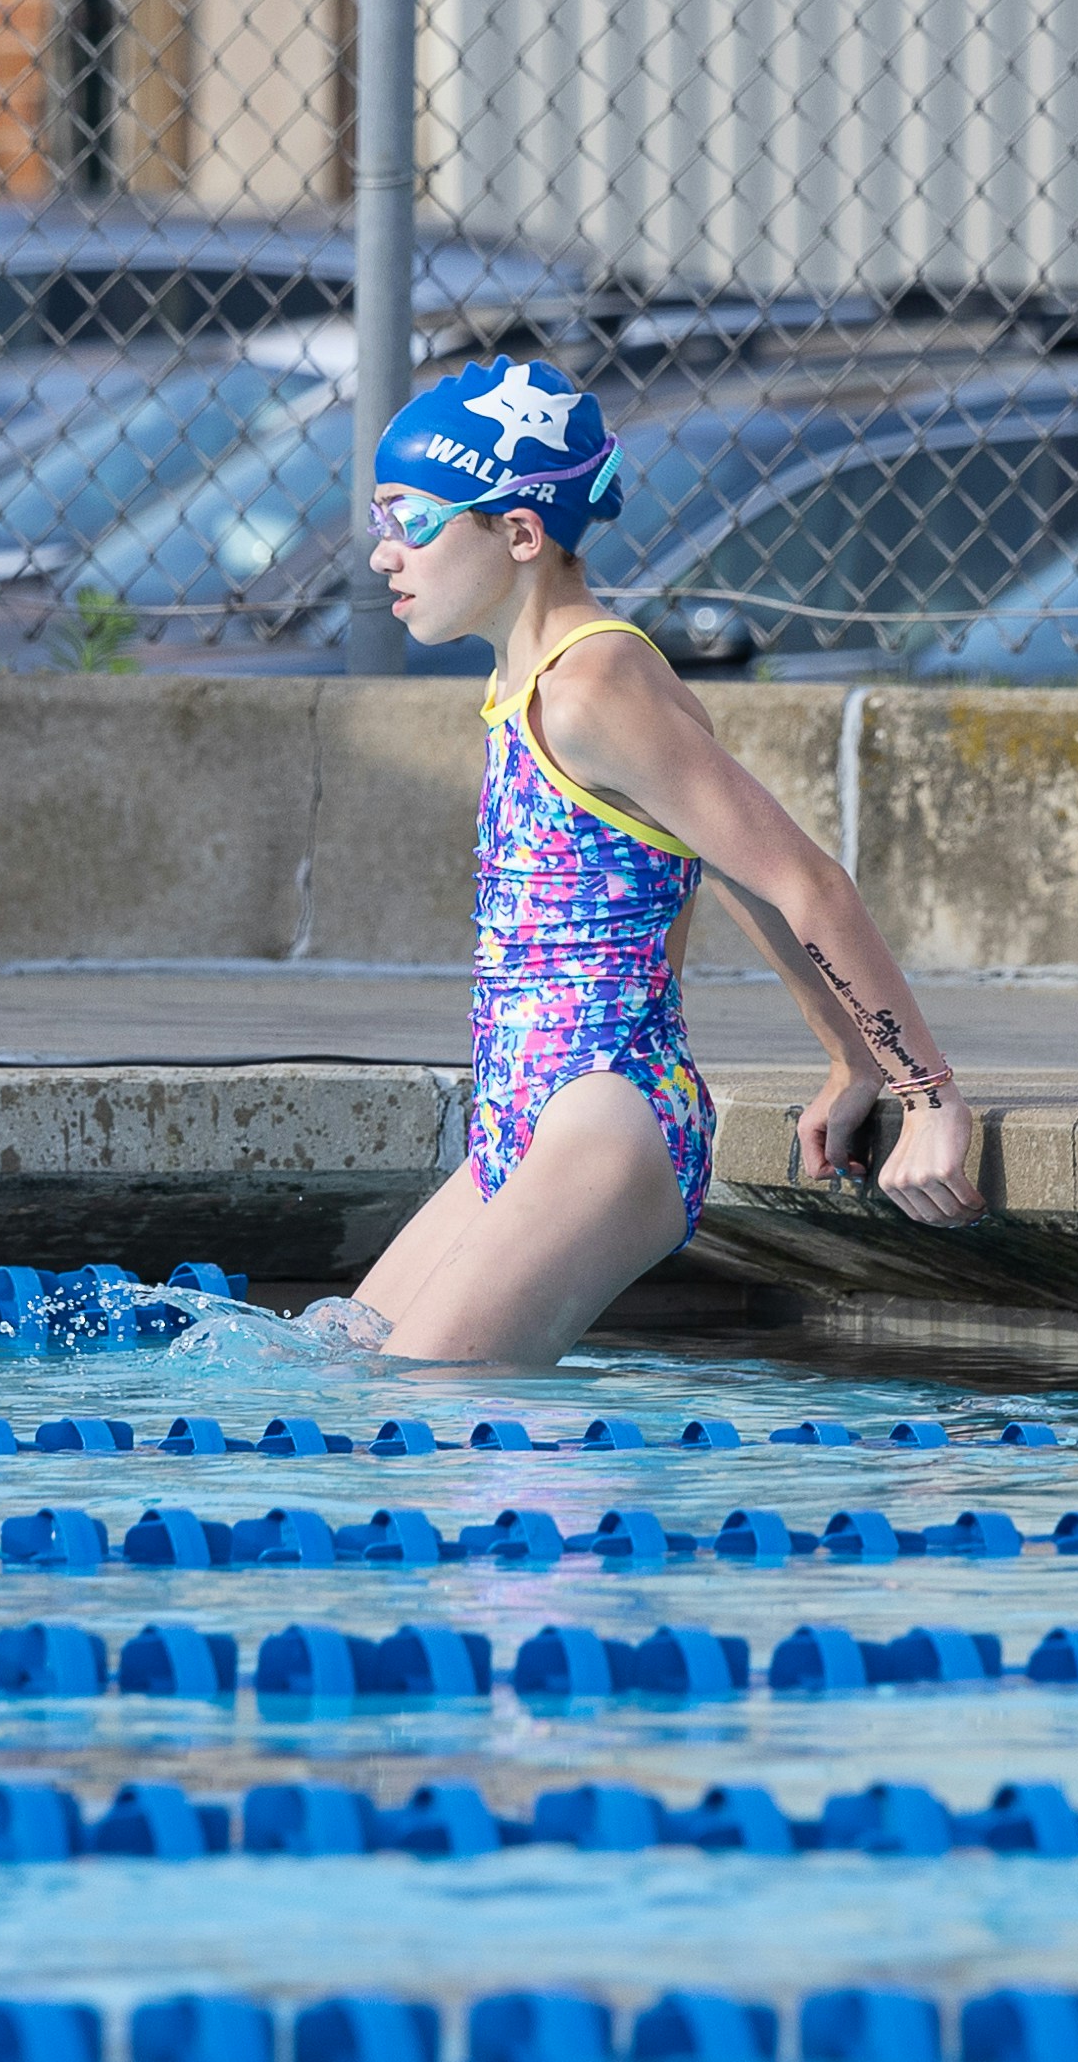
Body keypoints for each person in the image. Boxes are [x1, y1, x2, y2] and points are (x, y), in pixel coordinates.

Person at [334, 358, 983, 1367]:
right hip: (520, 1119)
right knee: (333, 1365)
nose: (384, 553)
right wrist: (845, 1058)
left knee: (417, 1406)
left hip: (604, 1111)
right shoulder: (526, 681)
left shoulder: (593, 685)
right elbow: (725, 870)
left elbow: (802, 880)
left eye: (410, 520)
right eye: (380, 520)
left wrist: (925, 1095)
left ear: (516, 532)